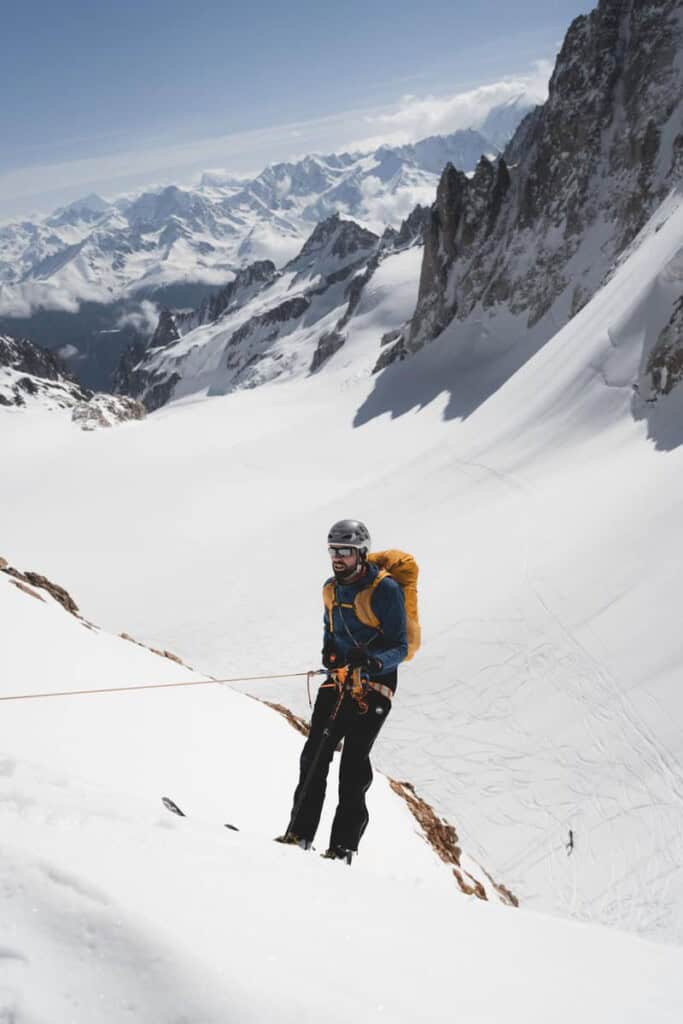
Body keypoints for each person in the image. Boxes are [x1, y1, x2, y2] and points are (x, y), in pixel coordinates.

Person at [277, 519, 408, 863]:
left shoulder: (386, 590)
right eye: (333, 550)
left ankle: (342, 848)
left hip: (375, 686)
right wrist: (330, 654)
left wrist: (374, 663)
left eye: (345, 551)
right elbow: (329, 630)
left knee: (353, 764)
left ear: (361, 552)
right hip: (338, 679)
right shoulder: (330, 588)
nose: (337, 557)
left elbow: (400, 646)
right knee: (314, 755)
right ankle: (299, 835)